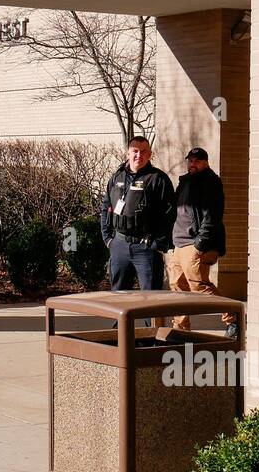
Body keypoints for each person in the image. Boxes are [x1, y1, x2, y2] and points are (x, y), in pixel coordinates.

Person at [168, 147, 239, 337]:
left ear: (205, 162)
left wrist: (200, 243)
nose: (193, 164)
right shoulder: (184, 181)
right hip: (179, 242)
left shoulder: (210, 182)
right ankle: (180, 329)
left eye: (197, 161)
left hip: (195, 244)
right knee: (177, 285)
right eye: (190, 160)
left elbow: (213, 215)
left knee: (199, 286)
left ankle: (233, 319)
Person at [101, 136, 176, 294]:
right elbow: (106, 206)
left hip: (146, 248)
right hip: (119, 245)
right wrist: (108, 238)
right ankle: (120, 321)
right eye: (135, 151)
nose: (138, 155)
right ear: (128, 153)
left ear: (149, 154)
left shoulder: (158, 179)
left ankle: (151, 321)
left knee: (151, 299)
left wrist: (158, 243)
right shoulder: (116, 177)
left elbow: (169, 214)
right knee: (119, 296)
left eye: (143, 152)